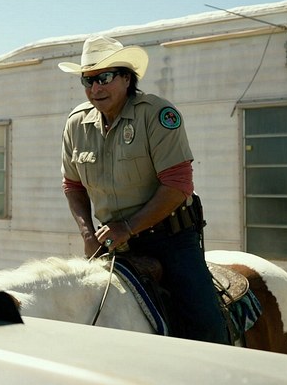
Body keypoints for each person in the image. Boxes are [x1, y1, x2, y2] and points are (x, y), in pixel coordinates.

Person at [58, 35, 229, 344]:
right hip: (112, 243)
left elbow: (178, 184)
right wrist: (87, 234)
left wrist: (127, 227)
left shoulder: (157, 114)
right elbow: (73, 185)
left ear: (127, 78)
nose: (95, 88)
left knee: (205, 326)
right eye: (88, 80)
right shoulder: (76, 123)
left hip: (171, 239)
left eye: (104, 77)